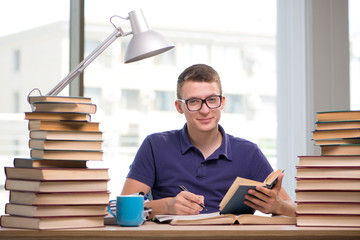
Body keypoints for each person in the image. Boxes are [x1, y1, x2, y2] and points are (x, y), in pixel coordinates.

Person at [121, 64, 296, 218]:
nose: (205, 110)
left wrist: (277, 206)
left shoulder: (249, 152)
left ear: (222, 102)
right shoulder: (155, 145)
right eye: (194, 102)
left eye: (212, 100)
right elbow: (123, 209)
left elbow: (295, 210)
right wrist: (167, 206)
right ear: (179, 107)